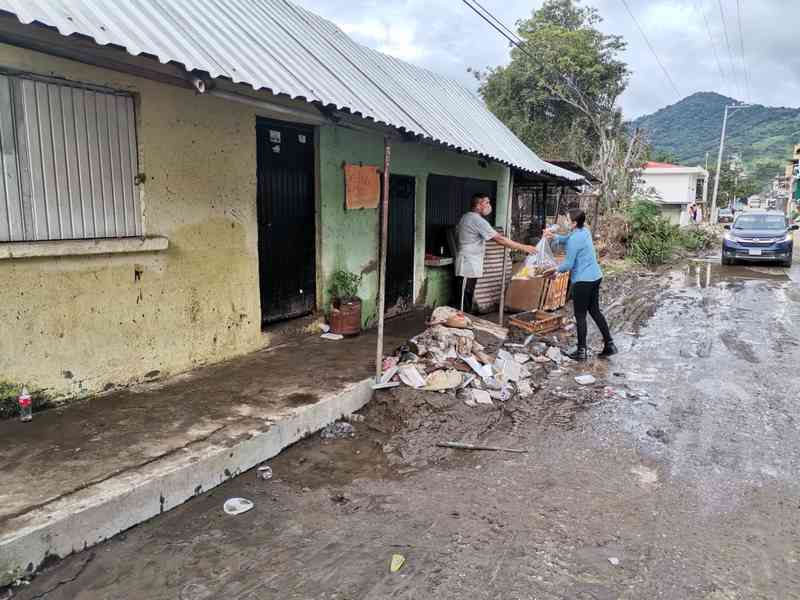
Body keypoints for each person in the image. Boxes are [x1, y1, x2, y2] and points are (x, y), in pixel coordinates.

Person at [543, 208, 616, 361]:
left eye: (567, 219)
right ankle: (609, 344)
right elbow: (568, 238)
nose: (565, 221)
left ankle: (581, 351)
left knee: (580, 315)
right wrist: (554, 236)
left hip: (583, 281)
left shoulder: (574, 238)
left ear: (574, 223)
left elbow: (568, 264)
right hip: (595, 276)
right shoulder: (584, 231)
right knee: (595, 311)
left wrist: (555, 270)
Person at [456, 193, 536, 311]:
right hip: (468, 263)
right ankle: (461, 318)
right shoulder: (476, 220)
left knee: (467, 294)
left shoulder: (467, 217)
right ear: (478, 205)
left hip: (470, 262)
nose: (489, 206)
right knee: (465, 296)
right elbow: (500, 239)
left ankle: (464, 316)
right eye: (486, 203)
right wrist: (524, 247)